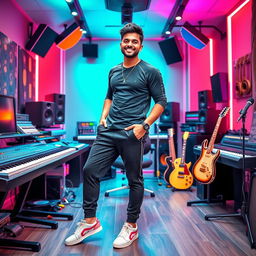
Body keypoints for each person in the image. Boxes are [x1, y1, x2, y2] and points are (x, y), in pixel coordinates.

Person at [65, 23, 167, 249]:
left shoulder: (150, 71)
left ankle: (131, 226)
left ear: (141, 45)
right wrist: (102, 117)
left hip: (132, 134)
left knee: (135, 180)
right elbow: (109, 96)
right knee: (89, 170)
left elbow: (161, 102)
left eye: (134, 41)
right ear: (121, 44)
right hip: (108, 132)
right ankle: (90, 221)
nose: (130, 44)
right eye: (126, 41)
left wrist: (144, 125)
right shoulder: (113, 71)